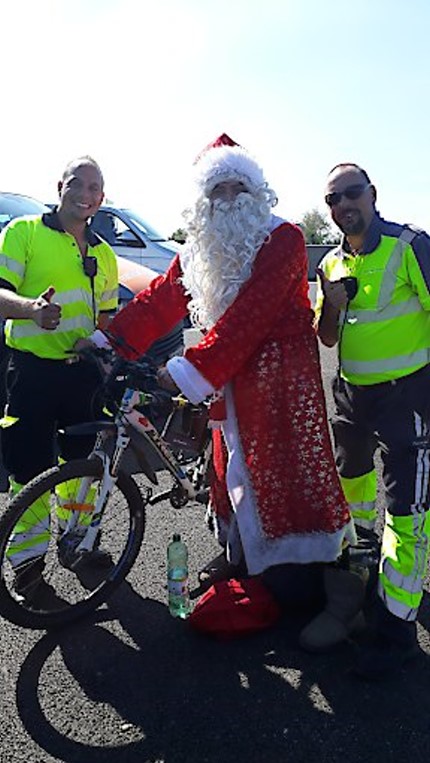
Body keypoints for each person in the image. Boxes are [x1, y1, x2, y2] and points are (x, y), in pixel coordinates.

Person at [81, 134, 363, 645]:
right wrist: (109, 341)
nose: (229, 199)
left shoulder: (285, 238)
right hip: (229, 376)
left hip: (282, 377)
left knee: (291, 473)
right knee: (231, 467)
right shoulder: (200, 247)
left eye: (239, 187)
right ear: (202, 200)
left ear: (258, 193)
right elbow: (163, 298)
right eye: (217, 190)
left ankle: (336, 593)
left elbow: (250, 318)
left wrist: (186, 370)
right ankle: (248, 561)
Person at [315, 161, 430, 678]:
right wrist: (331, 307)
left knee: (406, 512)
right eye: (333, 201)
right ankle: (358, 583)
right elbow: (328, 338)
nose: (343, 207)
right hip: (351, 399)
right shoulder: (332, 266)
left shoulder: (410, 246)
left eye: (351, 194)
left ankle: (396, 631)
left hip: (408, 398)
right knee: (355, 493)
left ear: (372, 194)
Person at [0, 156, 118, 603]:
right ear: (60, 186)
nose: (86, 194)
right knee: (28, 474)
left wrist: (105, 353)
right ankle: (27, 569)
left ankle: (76, 546)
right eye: (78, 184)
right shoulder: (24, 232)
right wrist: (30, 309)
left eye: (95, 188)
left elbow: (107, 317)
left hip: (83, 378)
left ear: (102, 198)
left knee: (80, 472)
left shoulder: (104, 253)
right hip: (32, 373)